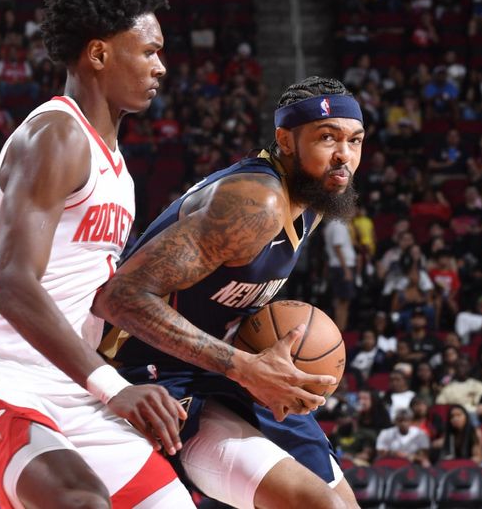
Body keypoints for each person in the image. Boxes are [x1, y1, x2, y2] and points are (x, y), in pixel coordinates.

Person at [0, 0, 195, 509]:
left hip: (71, 385)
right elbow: (14, 286)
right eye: (148, 51)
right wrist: (116, 388)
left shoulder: (118, 169)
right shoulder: (56, 135)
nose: (160, 66)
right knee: (79, 501)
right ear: (98, 54)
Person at [94, 76, 364, 508]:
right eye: (327, 138)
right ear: (285, 140)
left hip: (222, 368)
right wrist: (246, 367)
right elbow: (119, 298)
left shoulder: (312, 196)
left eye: (355, 140)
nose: (343, 156)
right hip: (151, 372)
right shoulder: (255, 203)